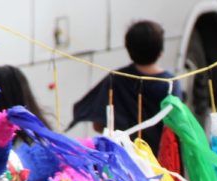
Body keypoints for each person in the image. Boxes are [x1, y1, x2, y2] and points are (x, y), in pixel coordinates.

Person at [69, 20, 182, 153]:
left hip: (126, 161)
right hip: (162, 162)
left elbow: (98, 124)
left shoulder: (115, 79)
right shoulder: (170, 84)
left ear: (128, 49)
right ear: (161, 51)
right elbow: (178, 128)